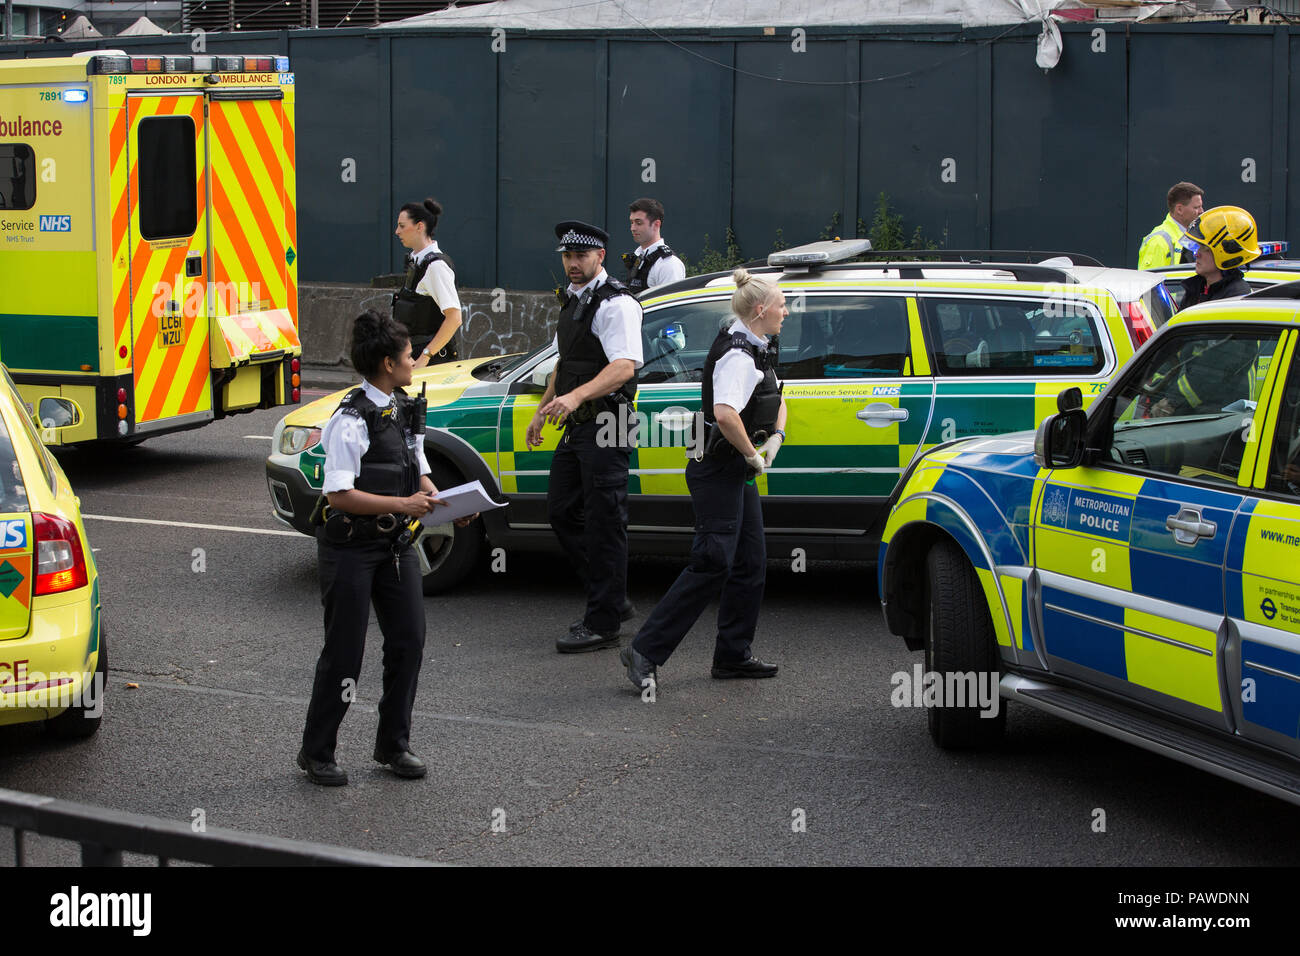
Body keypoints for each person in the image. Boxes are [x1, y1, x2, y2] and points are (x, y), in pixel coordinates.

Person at [297, 310, 474, 786]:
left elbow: (417, 468)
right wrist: (406, 503)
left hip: (394, 545)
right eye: (406, 355)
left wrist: (444, 501)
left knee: (408, 642)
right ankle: (317, 752)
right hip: (351, 548)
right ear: (386, 363)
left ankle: (393, 744)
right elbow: (338, 495)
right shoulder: (351, 420)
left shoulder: (401, 407)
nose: (414, 359)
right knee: (344, 653)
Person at [620, 267, 788, 691]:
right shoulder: (737, 354)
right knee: (713, 561)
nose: (787, 311)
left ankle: (733, 655)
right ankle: (643, 650)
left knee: (749, 563)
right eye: (782, 304)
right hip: (717, 468)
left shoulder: (756, 340)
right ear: (761, 309)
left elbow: (776, 397)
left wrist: (776, 439)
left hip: (733, 467)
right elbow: (725, 414)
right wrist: (753, 455)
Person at [527, 221, 644, 653]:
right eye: (567, 256)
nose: (573, 264)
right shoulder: (574, 300)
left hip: (610, 420)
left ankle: (603, 623)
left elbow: (624, 367)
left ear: (600, 257)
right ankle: (612, 597)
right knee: (561, 511)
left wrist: (573, 398)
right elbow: (567, 361)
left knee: (605, 522)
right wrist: (544, 408)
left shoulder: (615, 304)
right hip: (580, 423)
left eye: (581, 256)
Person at [392, 198, 463, 368]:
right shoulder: (418, 262)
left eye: (402, 226)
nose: (397, 232)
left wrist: (425, 356)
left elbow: (454, 318)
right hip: (414, 357)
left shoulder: (436, 267)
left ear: (419, 226)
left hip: (431, 364)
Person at [1179, 205, 1259, 307]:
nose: (1196, 254)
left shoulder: (1235, 297)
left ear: (1225, 254)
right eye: (1198, 247)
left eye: (1205, 248)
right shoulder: (1197, 289)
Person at [624, 198, 686, 293]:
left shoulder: (668, 264)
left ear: (656, 224)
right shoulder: (637, 257)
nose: (632, 228)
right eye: (631, 222)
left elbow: (670, 305)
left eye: (638, 223)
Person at [1137, 182, 1204, 270]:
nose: (1201, 211)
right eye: (1196, 207)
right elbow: (1151, 280)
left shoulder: (1191, 236)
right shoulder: (1158, 240)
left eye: (1201, 206)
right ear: (1179, 209)